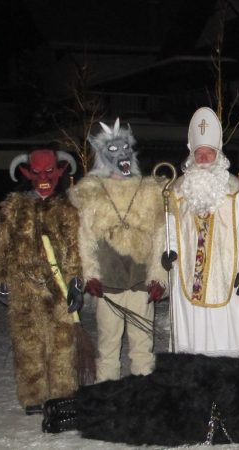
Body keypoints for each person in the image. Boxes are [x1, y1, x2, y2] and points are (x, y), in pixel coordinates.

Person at [41, 351, 239, 449]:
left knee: (129, 427)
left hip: (183, 427)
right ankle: (70, 403)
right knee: (127, 393)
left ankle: (71, 421)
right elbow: (203, 367)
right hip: (181, 394)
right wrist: (167, 368)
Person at [68, 118, 167, 382]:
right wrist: (90, 275)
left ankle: (143, 394)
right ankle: (107, 394)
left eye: (125, 148)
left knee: (142, 345)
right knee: (108, 346)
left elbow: (160, 236)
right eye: (113, 150)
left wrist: (158, 277)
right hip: (108, 282)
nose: (122, 154)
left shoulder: (148, 191)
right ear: (103, 155)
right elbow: (85, 237)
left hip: (140, 280)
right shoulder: (92, 192)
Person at [0, 149, 83, 414]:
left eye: (49, 172)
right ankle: (33, 396)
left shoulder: (66, 209)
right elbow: (1, 247)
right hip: (24, 288)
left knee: (62, 343)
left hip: (58, 288)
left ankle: (62, 394)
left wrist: (76, 282)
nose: (44, 178)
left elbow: (75, 249)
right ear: (28, 174)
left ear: (58, 173)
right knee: (28, 343)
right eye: (38, 172)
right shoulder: (13, 208)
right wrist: (1, 279)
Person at [161, 106, 239, 358]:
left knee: (227, 329)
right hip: (187, 271)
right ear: (192, 156)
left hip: (228, 272)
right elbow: (170, 227)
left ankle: (229, 369)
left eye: (209, 153)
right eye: (199, 153)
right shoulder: (177, 191)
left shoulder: (235, 191)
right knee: (192, 334)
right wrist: (169, 250)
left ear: (218, 156)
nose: (203, 158)